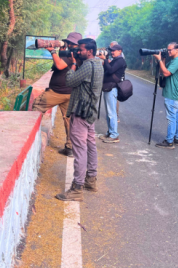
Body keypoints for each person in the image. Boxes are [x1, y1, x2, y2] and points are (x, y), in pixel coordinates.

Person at [56, 38, 104, 202]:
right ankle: (91, 179)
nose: (78, 52)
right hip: (90, 111)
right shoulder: (98, 64)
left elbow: (70, 81)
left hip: (81, 111)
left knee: (79, 149)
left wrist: (74, 64)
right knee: (90, 144)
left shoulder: (87, 66)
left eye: (81, 49)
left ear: (89, 51)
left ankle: (77, 188)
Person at [32, 32, 82, 157]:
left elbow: (59, 66)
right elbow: (60, 64)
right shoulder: (76, 53)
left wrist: (52, 51)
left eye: (70, 43)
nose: (68, 44)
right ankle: (70, 148)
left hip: (57, 92)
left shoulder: (72, 53)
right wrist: (60, 53)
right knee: (69, 121)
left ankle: (32, 138)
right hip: (70, 92)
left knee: (36, 107)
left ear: (74, 44)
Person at [153, 43, 178, 149]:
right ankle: (177, 138)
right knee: (176, 117)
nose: (169, 51)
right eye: (168, 50)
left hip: (172, 93)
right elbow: (163, 69)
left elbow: (166, 73)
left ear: (177, 50)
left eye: (170, 50)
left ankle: (169, 141)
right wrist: (162, 58)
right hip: (175, 92)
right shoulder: (175, 60)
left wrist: (158, 59)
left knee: (171, 118)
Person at [98, 44, 126, 143]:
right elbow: (107, 69)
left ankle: (114, 135)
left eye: (114, 50)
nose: (112, 52)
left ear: (120, 51)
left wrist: (105, 59)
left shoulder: (120, 61)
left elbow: (110, 70)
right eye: (111, 50)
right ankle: (110, 132)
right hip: (108, 88)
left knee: (111, 113)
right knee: (108, 112)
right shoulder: (115, 60)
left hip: (112, 88)